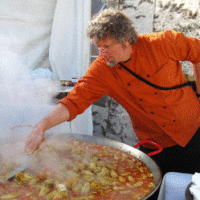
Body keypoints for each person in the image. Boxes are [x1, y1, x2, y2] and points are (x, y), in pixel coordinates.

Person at [25, 8, 200, 199]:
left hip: (194, 133)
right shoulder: (101, 70)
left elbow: (197, 53)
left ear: (126, 40)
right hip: (154, 144)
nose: (102, 52)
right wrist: (41, 126)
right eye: (98, 46)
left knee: (191, 191)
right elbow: (73, 102)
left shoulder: (163, 42)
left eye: (107, 46)